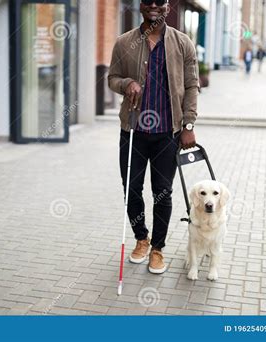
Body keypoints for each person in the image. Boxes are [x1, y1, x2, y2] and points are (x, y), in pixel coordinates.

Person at [108, 0, 199, 274]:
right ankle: (141, 239)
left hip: (167, 134)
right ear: (141, 5)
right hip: (133, 131)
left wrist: (189, 124)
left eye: (160, 2)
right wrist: (126, 84)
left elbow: (192, 85)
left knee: (162, 192)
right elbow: (112, 77)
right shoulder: (124, 42)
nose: (154, 6)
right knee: (131, 189)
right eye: (149, 2)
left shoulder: (183, 43)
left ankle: (158, 249)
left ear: (167, 6)